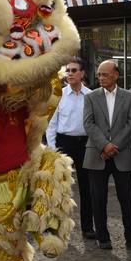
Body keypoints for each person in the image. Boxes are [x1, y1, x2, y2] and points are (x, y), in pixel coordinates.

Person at [82, 59, 131, 251]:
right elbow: (89, 124)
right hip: (97, 155)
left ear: (116, 74)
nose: (100, 78)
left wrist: (114, 146)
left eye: (105, 74)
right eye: (99, 74)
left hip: (122, 155)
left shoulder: (130, 97)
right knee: (98, 198)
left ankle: (130, 239)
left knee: (127, 199)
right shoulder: (90, 97)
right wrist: (104, 145)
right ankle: (103, 237)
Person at [46, 57, 94, 238]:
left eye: (74, 70)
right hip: (63, 143)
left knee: (86, 187)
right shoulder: (58, 95)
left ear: (82, 74)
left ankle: (88, 228)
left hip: (85, 144)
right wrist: (53, 150)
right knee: (60, 187)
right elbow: (51, 124)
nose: (70, 74)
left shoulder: (91, 96)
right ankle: (55, 225)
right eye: (68, 71)